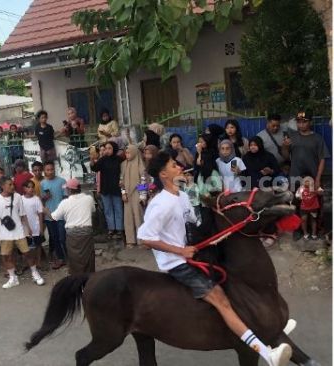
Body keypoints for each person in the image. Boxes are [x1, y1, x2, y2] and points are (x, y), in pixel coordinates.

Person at [137, 151, 292, 366]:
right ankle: (267, 354)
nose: (180, 167)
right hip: (177, 262)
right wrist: (180, 251)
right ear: (164, 174)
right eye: (174, 165)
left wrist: (204, 198)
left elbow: (195, 218)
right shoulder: (160, 204)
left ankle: (262, 321)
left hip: (193, 252)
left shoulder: (181, 195)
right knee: (219, 296)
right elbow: (144, 238)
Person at [0, 177, 45, 289]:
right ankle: (13, 278)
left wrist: (28, 228)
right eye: (9, 185)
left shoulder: (18, 197)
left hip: (19, 230)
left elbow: (23, 214)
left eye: (12, 184)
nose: (12, 186)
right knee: (6, 256)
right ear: (3, 186)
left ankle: (35, 273)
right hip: (5, 232)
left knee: (27, 253)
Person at [50, 178, 96, 275]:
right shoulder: (89, 198)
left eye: (66, 189)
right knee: (88, 255)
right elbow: (93, 210)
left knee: (74, 256)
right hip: (86, 232)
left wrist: (45, 210)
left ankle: (76, 275)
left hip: (72, 233)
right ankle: (89, 274)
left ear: (70, 190)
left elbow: (54, 217)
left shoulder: (65, 203)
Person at [282, 111, 330, 190]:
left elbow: (322, 159)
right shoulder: (292, 137)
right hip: (295, 178)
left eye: (304, 122)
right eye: (299, 122)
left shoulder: (318, 138)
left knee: (313, 201)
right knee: (295, 201)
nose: (301, 125)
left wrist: (318, 178)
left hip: (312, 178)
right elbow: (286, 157)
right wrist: (284, 147)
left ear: (310, 122)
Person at [90, 141, 124, 240]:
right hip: (105, 189)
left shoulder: (119, 159)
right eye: (106, 148)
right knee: (108, 210)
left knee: (118, 209)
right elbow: (95, 168)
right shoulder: (103, 159)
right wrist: (92, 160)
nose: (107, 150)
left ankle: (119, 229)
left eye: (110, 148)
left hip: (116, 188)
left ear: (114, 149)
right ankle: (111, 228)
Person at [40, 161, 67, 269]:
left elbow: (66, 197)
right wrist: (45, 197)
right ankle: (60, 258)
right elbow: (41, 200)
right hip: (49, 216)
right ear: (44, 171)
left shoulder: (62, 181)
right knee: (54, 237)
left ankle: (67, 257)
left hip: (61, 215)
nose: (50, 172)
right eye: (48, 170)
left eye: (51, 169)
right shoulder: (42, 184)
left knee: (62, 237)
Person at [120, 145, 146, 247]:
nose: (127, 155)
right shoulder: (123, 165)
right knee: (128, 218)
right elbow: (121, 180)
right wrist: (123, 193)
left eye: (129, 152)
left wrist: (142, 196)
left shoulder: (140, 165)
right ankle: (130, 240)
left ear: (135, 153)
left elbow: (143, 181)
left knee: (138, 217)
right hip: (127, 194)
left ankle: (141, 241)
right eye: (126, 153)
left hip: (137, 194)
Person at [22, 180, 45, 270]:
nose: (31, 189)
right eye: (28, 187)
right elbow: (21, 214)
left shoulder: (36, 199)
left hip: (36, 226)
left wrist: (41, 228)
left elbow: (40, 213)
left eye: (32, 187)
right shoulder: (20, 199)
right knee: (25, 246)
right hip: (25, 228)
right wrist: (27, 227)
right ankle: (26, 263)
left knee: (38, 245)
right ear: (24, 188)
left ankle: (38, 262)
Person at [296, 176, 323, 240]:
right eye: (306, 181)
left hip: (313, 208)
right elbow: (297, 196)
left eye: (310, 181)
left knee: (313, 220)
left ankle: (314, 234)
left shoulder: (315, 187)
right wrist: (300, 197)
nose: (308, 182)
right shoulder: (301, 188)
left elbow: (321, 193)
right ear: (303, 182)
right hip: (304, 208)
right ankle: (305, 234)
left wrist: (317, 190)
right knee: (303, 220)